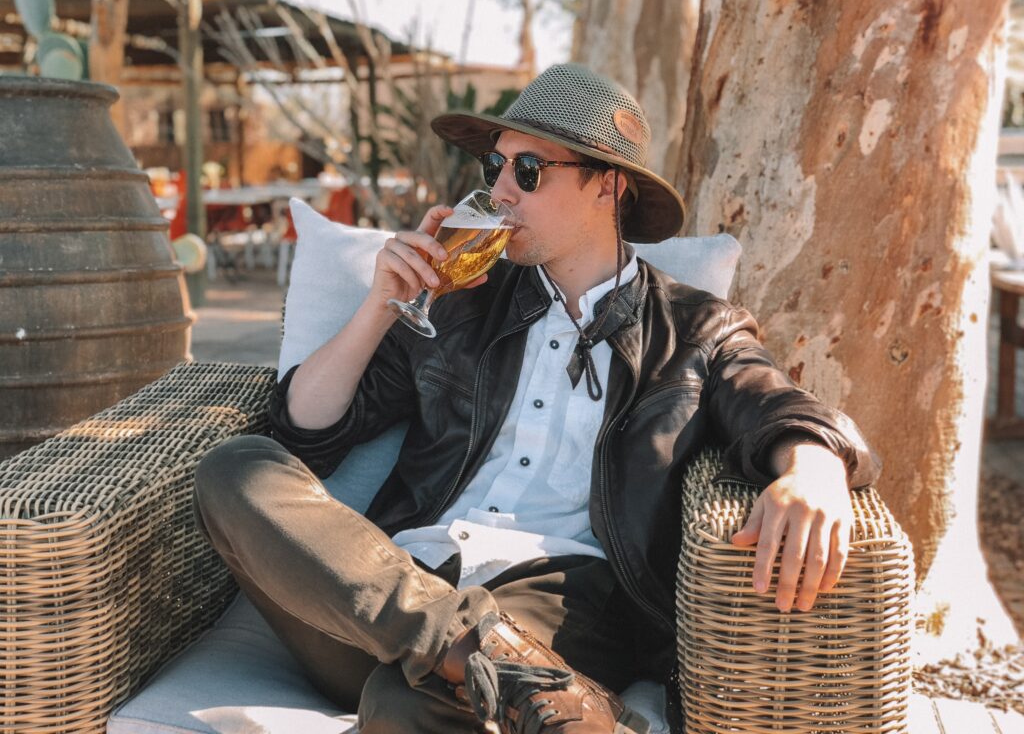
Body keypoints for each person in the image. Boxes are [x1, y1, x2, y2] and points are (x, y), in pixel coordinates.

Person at [193, 64, 879, 734]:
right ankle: (487, 658)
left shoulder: (692, 329)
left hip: (558, 599)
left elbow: (775, 402)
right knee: (235, 467)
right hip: (384, 590)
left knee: (402, 708)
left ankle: (494, 666)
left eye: (528, 171)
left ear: (607, 186)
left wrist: (816, 467)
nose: (500, 192)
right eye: (494, 168)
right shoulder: (459, 304)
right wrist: (380, 308)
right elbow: (304, 434)